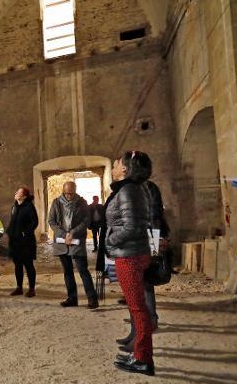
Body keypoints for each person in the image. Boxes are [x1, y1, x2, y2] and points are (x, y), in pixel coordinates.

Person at [106, 150, 155, 376]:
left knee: (138, 308)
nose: (114, 166)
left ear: (124, 169)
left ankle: (143, 359)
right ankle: (138, 352)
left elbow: (132, 226)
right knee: (137, 307)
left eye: (116, 163)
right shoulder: (135, 188)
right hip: (133, 252)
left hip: (129, 256)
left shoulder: (128, 190)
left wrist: (109, 240)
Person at [117, 179, 169, 351]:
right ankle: (136, 331)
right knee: (135, 288)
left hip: (145, 241)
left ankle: (146, 326)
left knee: (144, 285)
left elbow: (154, 216)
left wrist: (154, 247)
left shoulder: (148, 187)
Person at [48, 181, 99, 309]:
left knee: (83, 270)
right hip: (62, 241)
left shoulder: (82, 203)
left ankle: (92, 299)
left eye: (71, 193)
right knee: (67, 271)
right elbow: (51, 221)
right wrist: (63, 234)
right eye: (66, 193)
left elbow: (86, 220)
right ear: (63, 191)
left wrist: (73, 232)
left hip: (77, 240)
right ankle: (72, 298)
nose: (68, 196)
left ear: (75, 191)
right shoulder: (56, 202)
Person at [6, 186, 39, 297]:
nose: (15, 193)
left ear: (24, 196)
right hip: (15, 242)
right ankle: (19, 288)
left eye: (18, 192)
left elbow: (35, 222)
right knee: (18, 265)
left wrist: (25, 232)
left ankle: (31, 289)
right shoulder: (14, 207)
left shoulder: (29, 206)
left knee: (28, 265)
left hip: (26, 242)